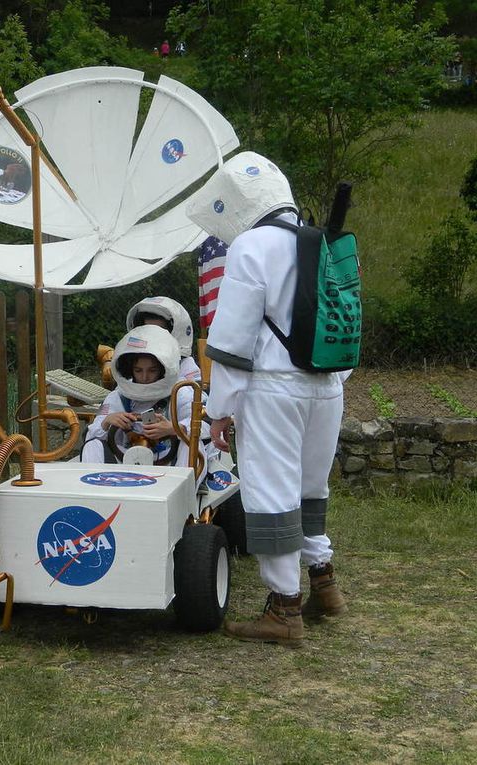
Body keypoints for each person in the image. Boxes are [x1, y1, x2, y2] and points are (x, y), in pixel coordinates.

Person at [185, 151, 347, 647]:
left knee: (272, 497)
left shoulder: (252, 245)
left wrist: (218, 412)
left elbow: (232, 340)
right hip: (328, 384)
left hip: (274, 388)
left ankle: (283, 611)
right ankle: (325, 585)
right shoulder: (326, 239)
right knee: (309, 489)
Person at [81, 324, 214, 475]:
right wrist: (107, 421)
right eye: (138, 370)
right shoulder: (119, 395)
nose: (144, 377)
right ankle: (99, 495)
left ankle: (184, 495)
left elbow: (207, 424)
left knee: (191, 445)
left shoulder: (180, 391)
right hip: (125, 464)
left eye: (152, 370)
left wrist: (174, 428)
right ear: (130, 369)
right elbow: (90, 435)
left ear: (164, 369)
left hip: (171, 467)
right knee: (93, 445)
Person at [126, 296, 202, 383]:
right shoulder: (137, 364)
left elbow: (196, 393)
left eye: (159, 331)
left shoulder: (185, 366)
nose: (152, 337)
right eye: (147, 331)